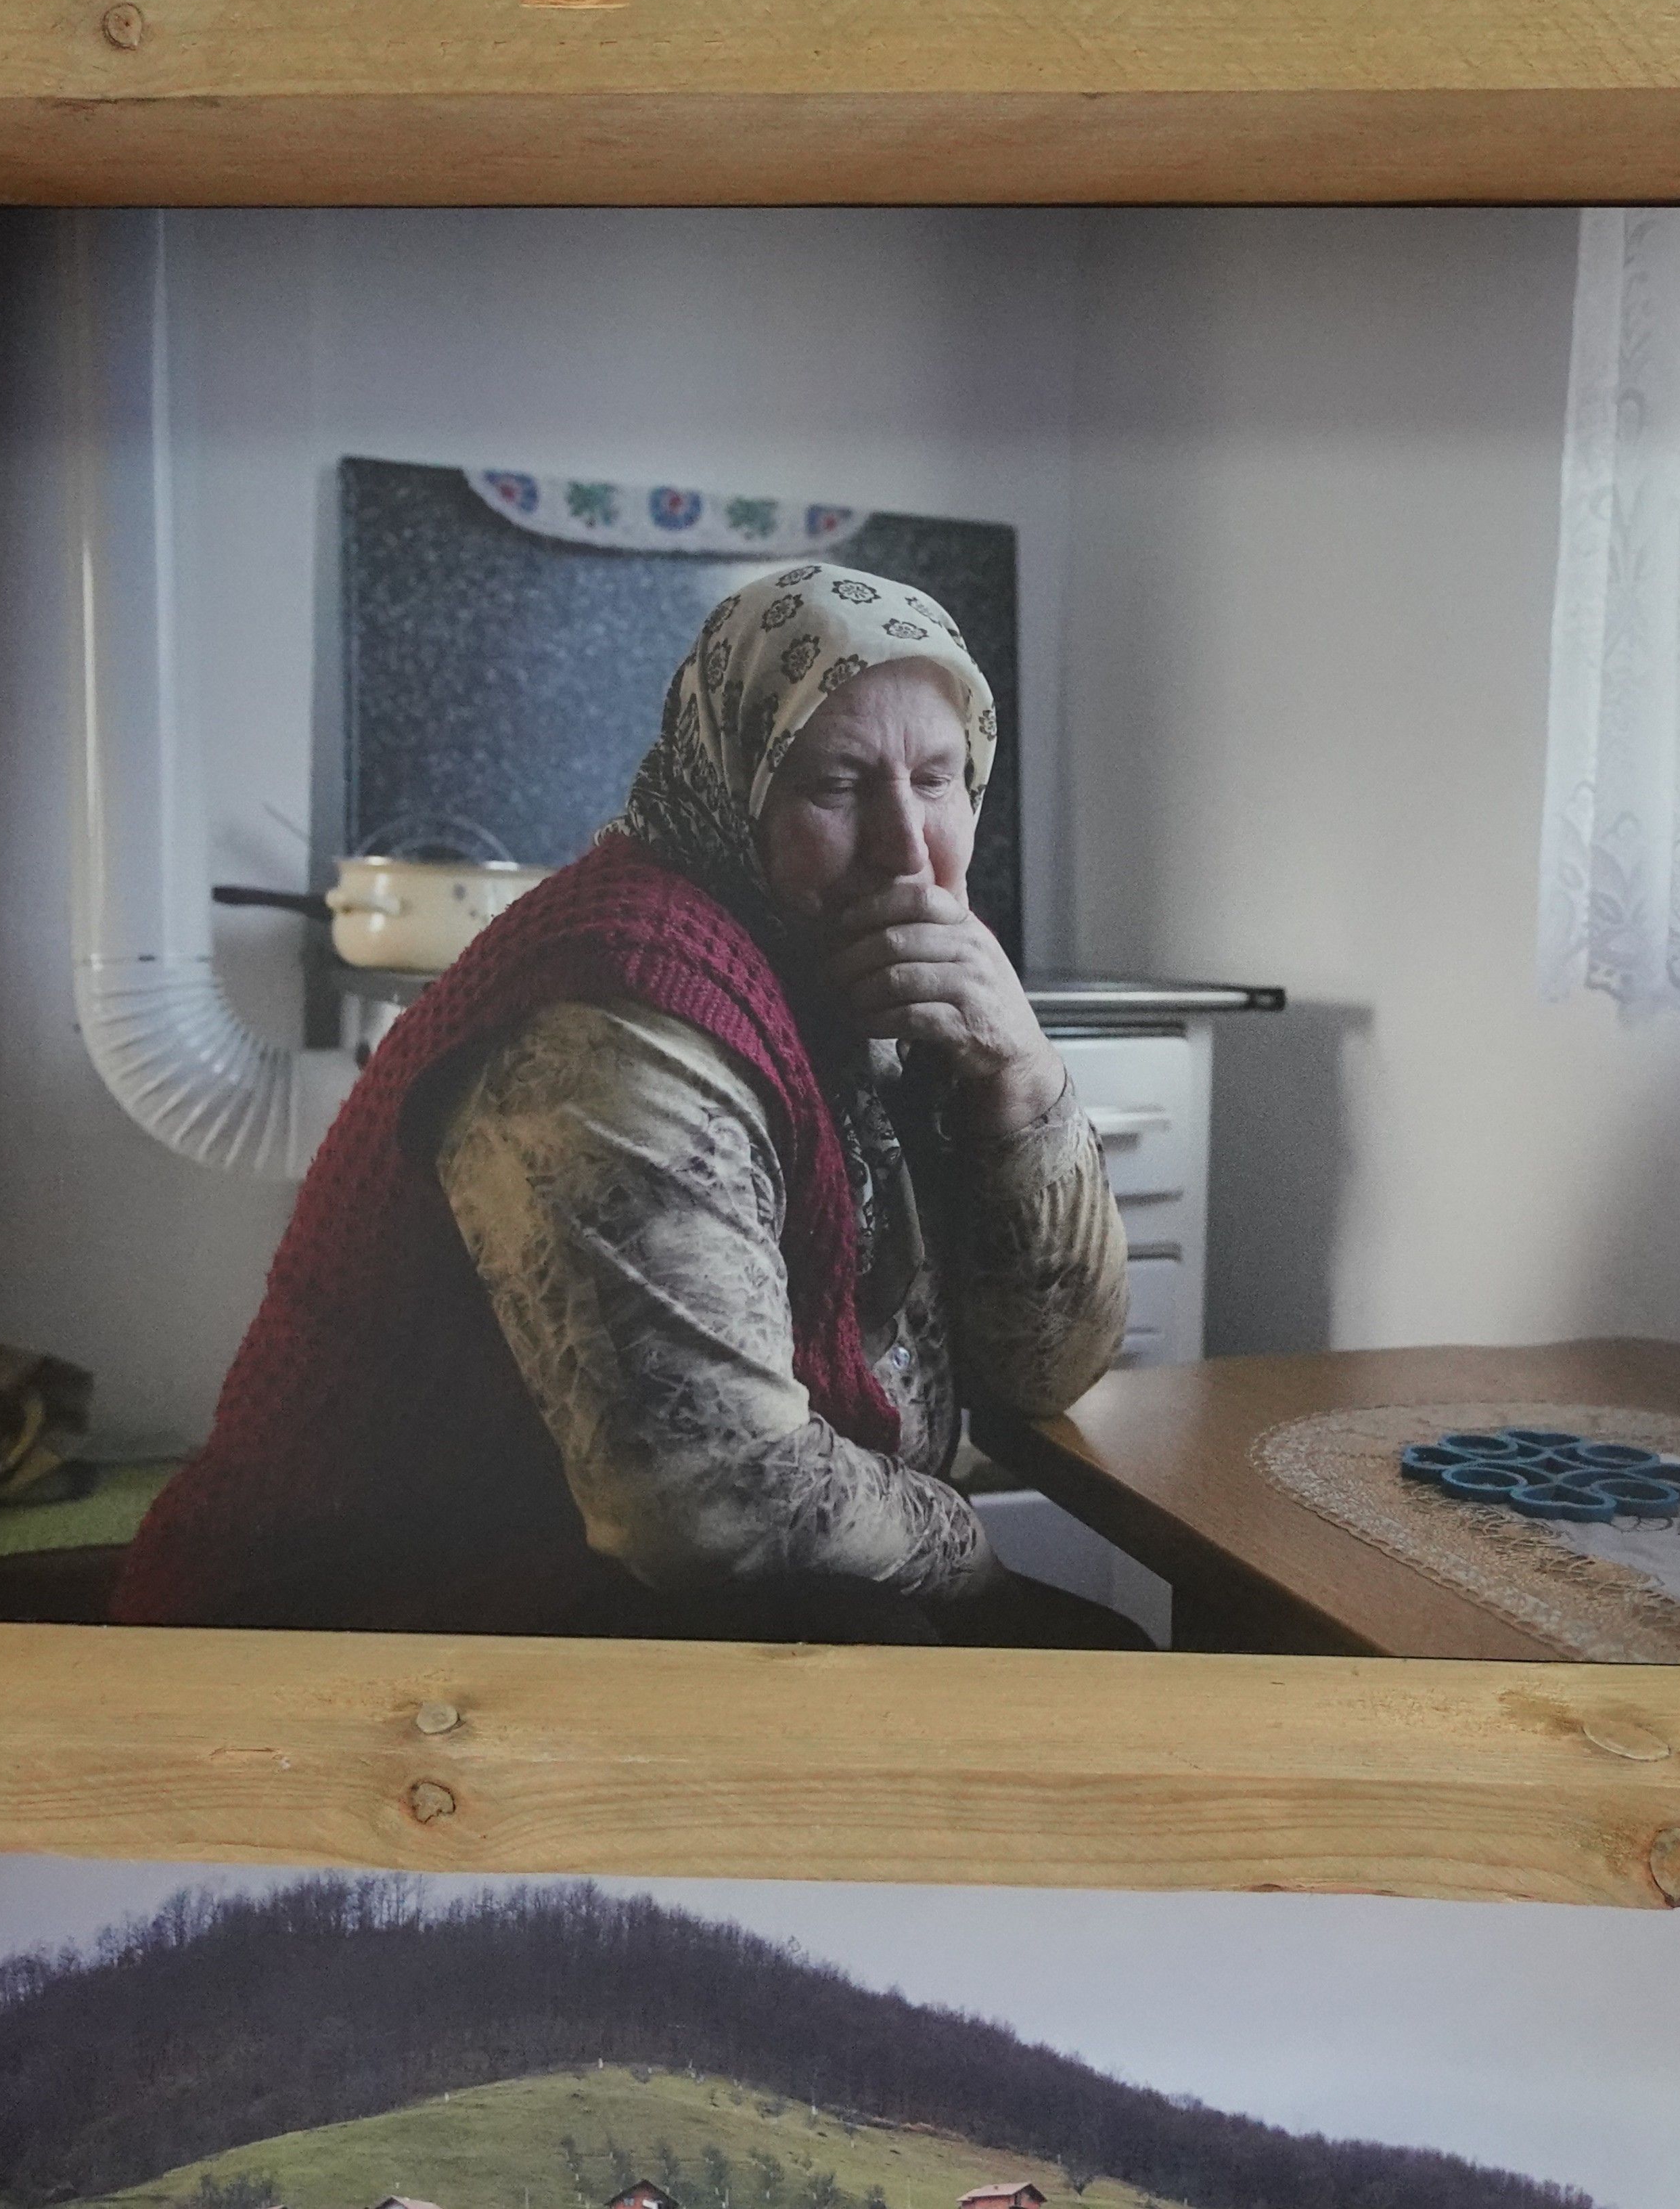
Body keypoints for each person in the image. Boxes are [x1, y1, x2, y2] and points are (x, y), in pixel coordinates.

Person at [112, 566, 1139, 1645]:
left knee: (1110, 1675)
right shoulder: (619, 1008)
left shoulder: (858, 983)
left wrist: (1018, 1079)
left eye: (937, 780)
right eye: (836, 786)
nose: (906, 847)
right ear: (730, 782)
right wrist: (969, 1552)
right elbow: (717, 1503)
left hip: (649, 1589)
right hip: (361, 1624)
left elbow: (1042, 1371)